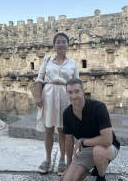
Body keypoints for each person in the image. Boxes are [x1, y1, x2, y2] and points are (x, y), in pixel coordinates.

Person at [58, 78, 120, 181]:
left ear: (83, 91)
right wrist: (68, 167)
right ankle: (92, 165)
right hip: (86, 149)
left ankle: (101, 176)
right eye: (70, 92)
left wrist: (82, 141)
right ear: (67, 94)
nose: (73, 96)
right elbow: (68, 140)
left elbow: (108, 140)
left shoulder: (98, 107)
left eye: (77, 91)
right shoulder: (67, 114)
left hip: (107, 147)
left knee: (98, 152)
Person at [35, 33, 79, 175]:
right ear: (54, 45)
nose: (61, 44)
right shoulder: (47, 60)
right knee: (48, 129)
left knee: (62, 130)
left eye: (64, 42)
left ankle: (61, 160)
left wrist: (75, 101)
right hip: (48, 95)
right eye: (58, 42)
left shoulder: (73, 63)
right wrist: (38, 96)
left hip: (65, 97)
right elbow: (40, 78)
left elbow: (76, 83)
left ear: (68, 45)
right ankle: (48, 159)